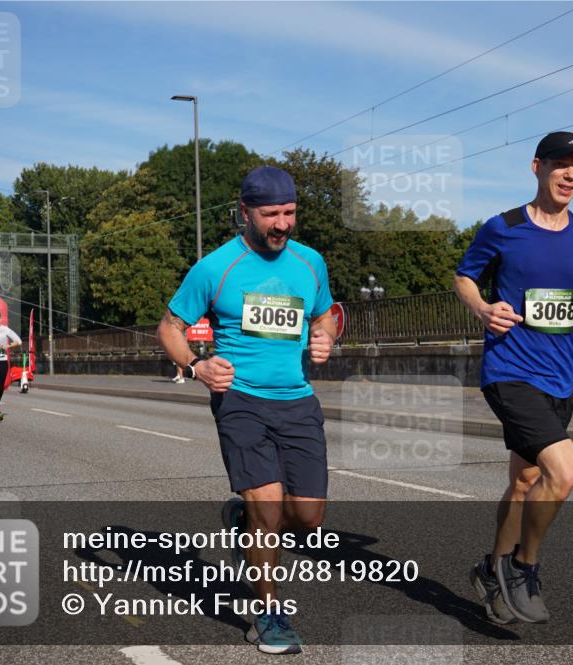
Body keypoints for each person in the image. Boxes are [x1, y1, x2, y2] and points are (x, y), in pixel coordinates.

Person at [158, 166, 335, 655]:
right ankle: (268, 613)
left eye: (290, 213)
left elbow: (325, 314)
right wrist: (196, 366)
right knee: (269, 509)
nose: (282, 224)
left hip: (297, 400)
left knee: (309, 518)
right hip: (240, 401)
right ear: (245, 213)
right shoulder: (215, 268)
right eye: (271, 214)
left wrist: (325, 337)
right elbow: (169, 327)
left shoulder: (311, 263)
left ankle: (244, 522)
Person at [453, 132, 573, 624]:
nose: (570, 174)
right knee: (564, 472)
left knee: (526, 479)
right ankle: (522, 567)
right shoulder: (503, 228)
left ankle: (490, 569)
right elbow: (464, 277)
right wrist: (483, 309)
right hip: (509, 372)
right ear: (537, 167)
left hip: (558, 379)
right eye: (560, 164)